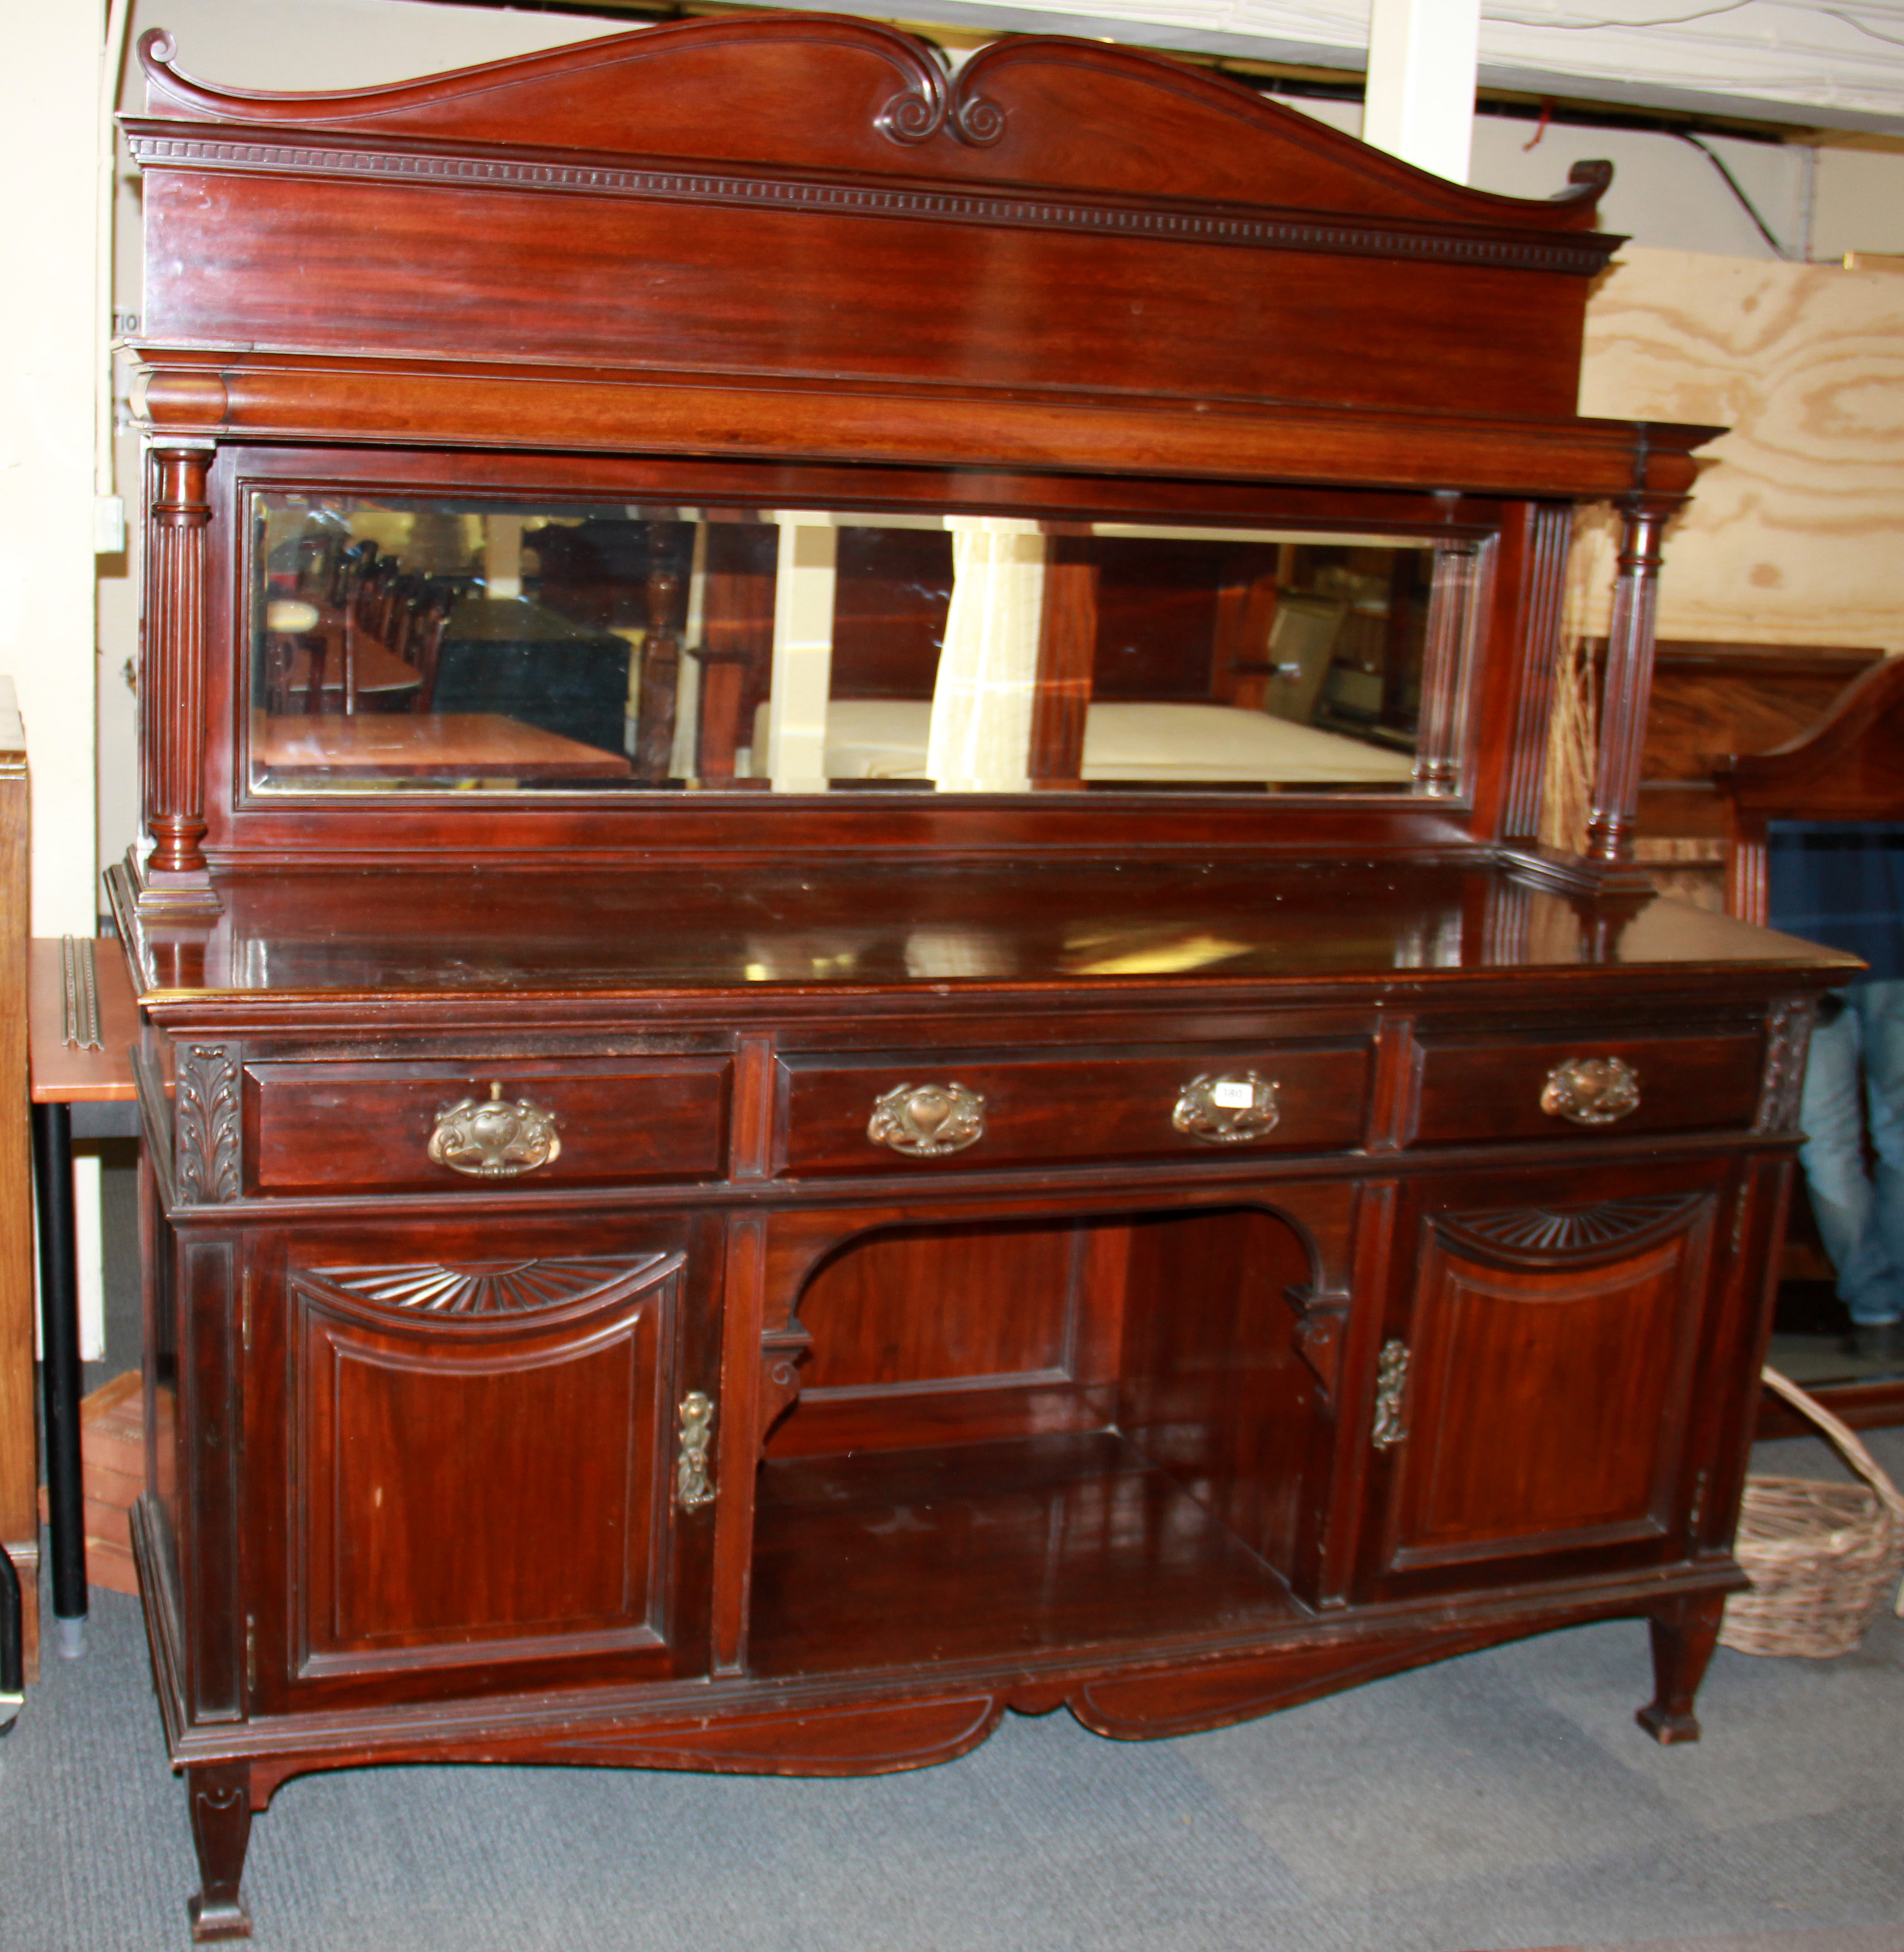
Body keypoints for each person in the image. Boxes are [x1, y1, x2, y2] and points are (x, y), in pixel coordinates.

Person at [1768, 822, 1904, 1361]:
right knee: (1891, 1136)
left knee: (1826, 1147)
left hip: (1795, 937)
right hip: (1889, 929)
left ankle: (1875, 1309)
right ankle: (1881, 1307)